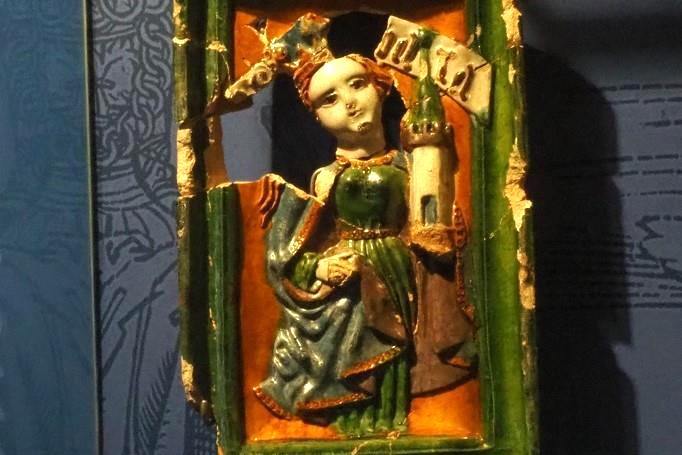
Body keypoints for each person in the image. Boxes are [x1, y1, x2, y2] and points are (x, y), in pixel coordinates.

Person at [254, 50, 475, 436]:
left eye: (358, 84)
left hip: (398, 273)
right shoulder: (327, 179)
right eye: (330, 99)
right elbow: (299, 247)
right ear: (317, 117)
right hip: (349, 287)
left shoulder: (410, 166)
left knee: (395, 358)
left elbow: (434, 221)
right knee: (350, 351)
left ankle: (391, 423)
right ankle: (352, 428)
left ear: (381, 87)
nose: (350, 102)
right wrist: (321, 267)